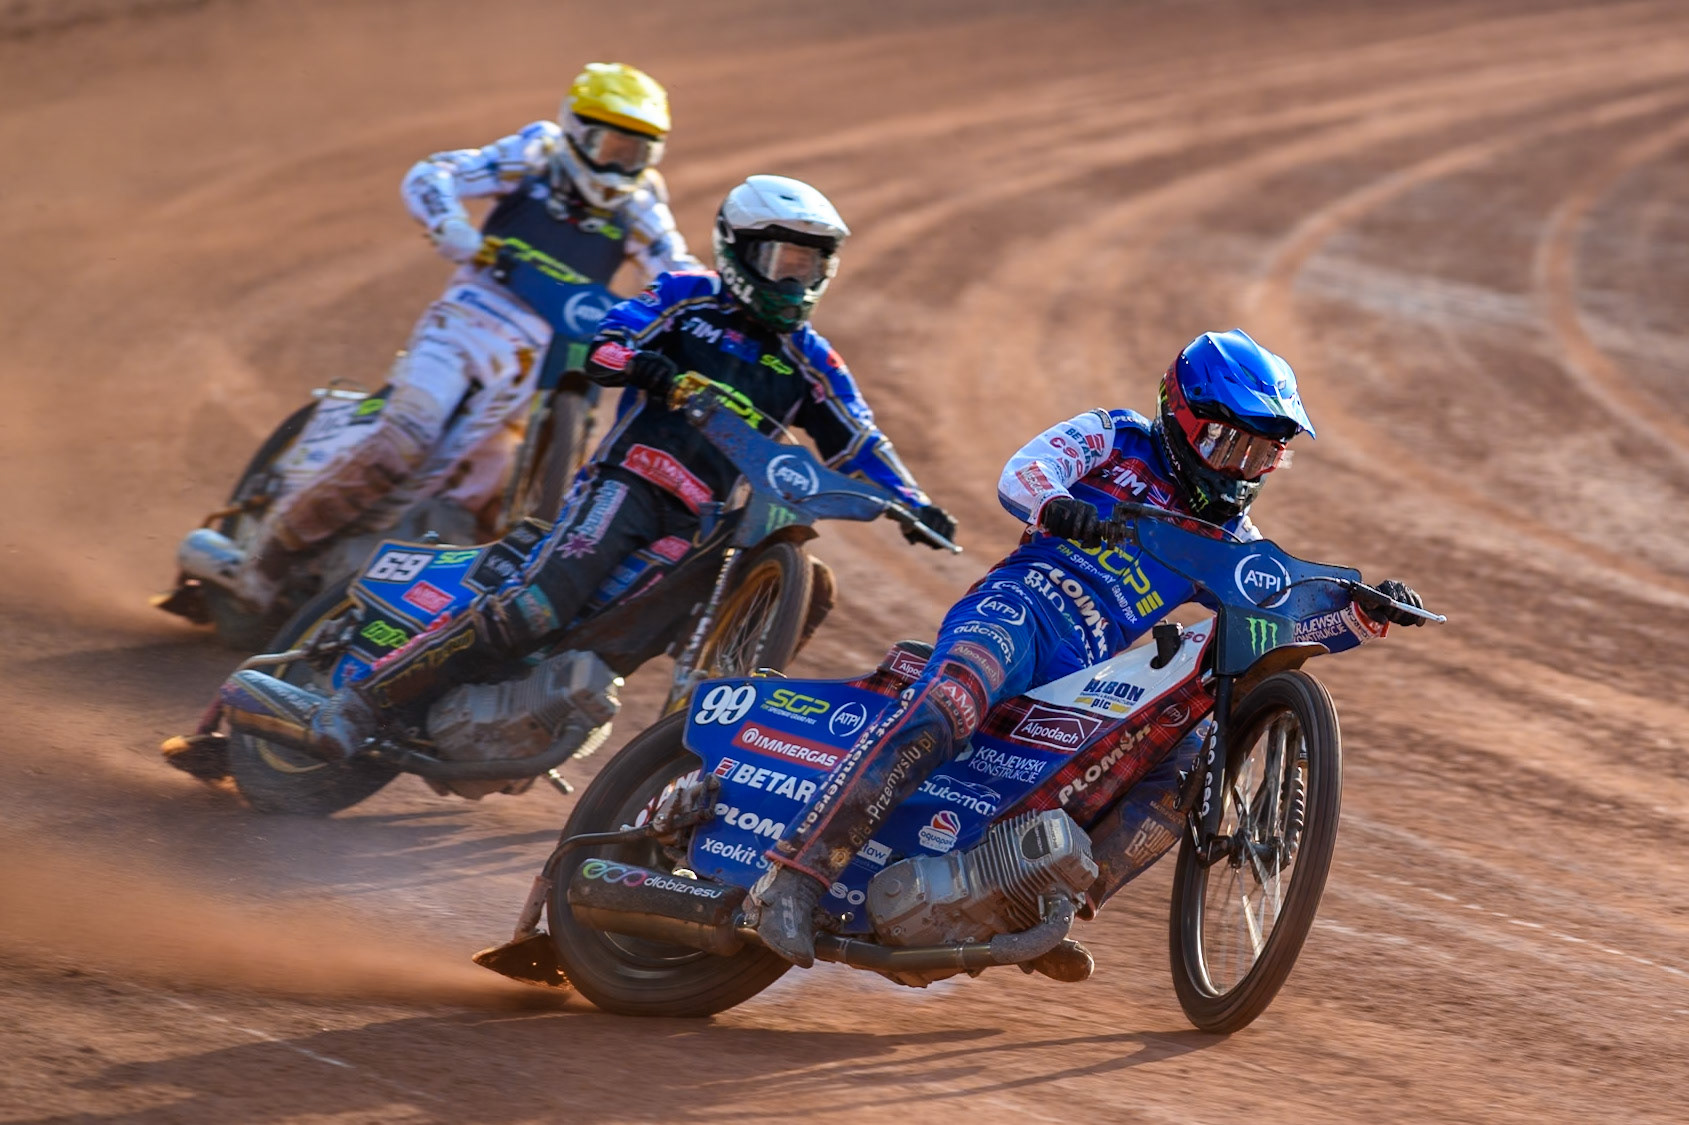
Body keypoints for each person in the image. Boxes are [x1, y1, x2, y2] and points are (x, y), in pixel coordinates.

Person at [747, 329, 1426, 966]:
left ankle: (1041, 904)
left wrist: (1361, 610)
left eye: (1259, 453)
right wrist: (1055, 505)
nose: (1239, 468)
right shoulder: (1116, 436)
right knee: (950, 702)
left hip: (1088, 671)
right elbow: (1024, 470)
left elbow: (1276, 618)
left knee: (1184, 762)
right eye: (1227, 443)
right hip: (1020, 608)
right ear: (1181, 416)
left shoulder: (1230, 540)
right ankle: (796, 878)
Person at [219, 174, 957, 759]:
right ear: (738, 249)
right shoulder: (687, 296)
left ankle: (643, 752)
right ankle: (356, 706)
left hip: (700, 525)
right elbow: (611, 339)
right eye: (783, 261)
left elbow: (858, 438)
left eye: (811, 263)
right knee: (534, 608)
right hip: (628, 484)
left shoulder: (811, 360)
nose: (795, 279)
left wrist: (912, 501)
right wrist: (644, 365)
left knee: (657, 630)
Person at [192, 62, 700, 615]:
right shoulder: (537, 155)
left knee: (492, 502)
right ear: (577, 131)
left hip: (538, 365)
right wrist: (451, 227)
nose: (619, 165)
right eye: (610, 147)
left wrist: (705, 311)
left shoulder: (640, 203)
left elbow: (675, 267)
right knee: (407, 438)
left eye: (635, 152)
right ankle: (266, 559)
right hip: (470, 319)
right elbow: (433, 174)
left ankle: (425, 606)